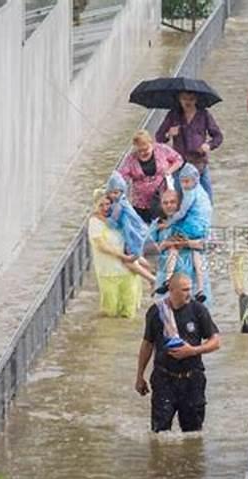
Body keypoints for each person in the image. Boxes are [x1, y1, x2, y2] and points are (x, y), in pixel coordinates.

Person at [135, 273, 221, 433]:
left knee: (193, 433)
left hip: (192, 379)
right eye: (184, 290)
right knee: (159, 432)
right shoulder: (156, 311)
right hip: (164, 378)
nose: (189, 293)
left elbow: (216, 341)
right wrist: (140, 376)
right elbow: (147, 343)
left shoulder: (198, 310)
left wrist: (193, 351)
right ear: (171, 290)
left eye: (190, 289)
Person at [154, 164, 212, 302]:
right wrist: (166, 244)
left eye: (173, 202)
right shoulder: (156, 225)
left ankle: (200, 290)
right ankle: (167, 282)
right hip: (170, 285)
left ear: (180, 202)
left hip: (192, 281)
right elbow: (145, 252)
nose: (169, 205)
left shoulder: (190, 221)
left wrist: (187, 243)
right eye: (165, 202)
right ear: (160, 204)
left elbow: (210, 244)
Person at [155, 91, 223, 203]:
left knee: (207, 199)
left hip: (199, 163)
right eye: (184, 99)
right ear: (179, 99)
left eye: (191, 99)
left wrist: (209, 145)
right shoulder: (173, 115)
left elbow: (218, 136)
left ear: (196, 100)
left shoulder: (204, 115)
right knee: (179, 199)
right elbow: (159, 137)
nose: (188, 102)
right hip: (180, 164)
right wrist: (169, 134)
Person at [87, 190, 144, 318]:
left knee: (129, 310)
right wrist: (123, 257)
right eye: (101, 205)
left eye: (108, 204)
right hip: (108, 271)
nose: (105, 208)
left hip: (128, 271)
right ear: (95, 206)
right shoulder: (95, 222)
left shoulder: (118, 218)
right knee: (110, 310)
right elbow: (102, 246)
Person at [118, 130, 183, 223]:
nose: (143, 153)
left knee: (162, 225)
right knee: (143, 228)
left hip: (161, 198)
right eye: (139, 151)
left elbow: (178, 159)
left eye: (145, 149)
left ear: (151, 143)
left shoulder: (162, 149)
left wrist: (169, 171)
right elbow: (122, 176)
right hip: (141, 202)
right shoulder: (131, 159)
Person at [105, 171, 156, 286]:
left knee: (129, 261)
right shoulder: (123, 201)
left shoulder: (119, 205)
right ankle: (152, 271)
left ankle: (152, 279)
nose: (114, 195)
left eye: (116, 192)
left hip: (131, 236)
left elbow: (113, 222)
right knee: (135, 257)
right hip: (135, 233)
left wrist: (104, 220)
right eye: (111, 192)